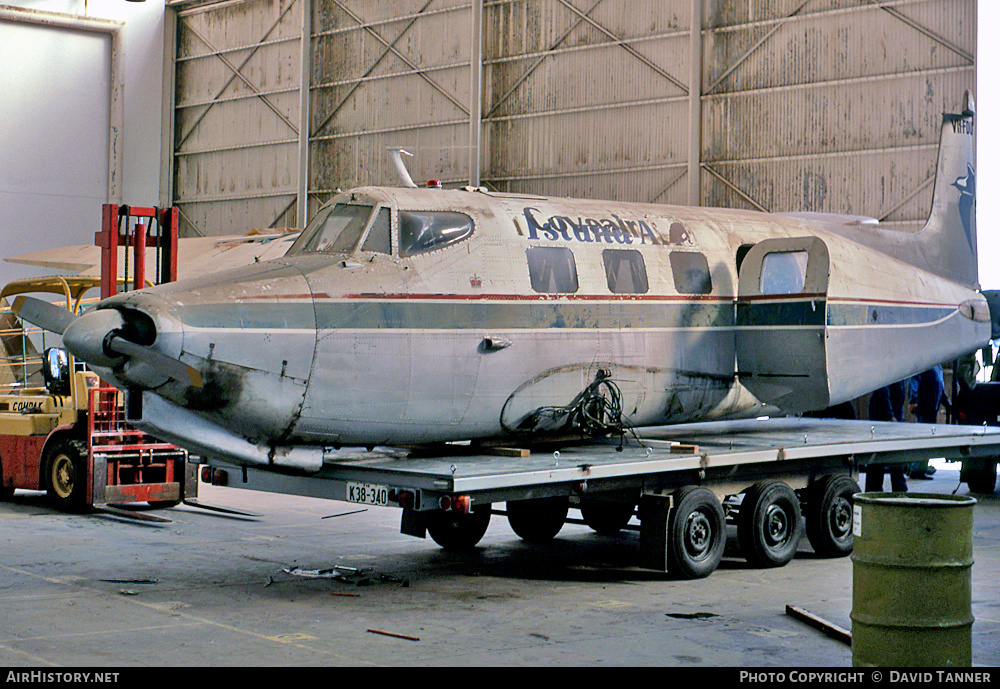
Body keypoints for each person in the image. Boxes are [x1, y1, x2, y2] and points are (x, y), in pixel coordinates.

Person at [865, 381, 908, 492]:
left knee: (883, 456)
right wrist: (889, 415)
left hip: (890, 413)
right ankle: (896, 489)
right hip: (884, 416)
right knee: (882, 456)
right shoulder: (892, 368)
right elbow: (883, 388)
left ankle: (877, 490)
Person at [908, 366, 945, 479]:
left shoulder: (938, 367)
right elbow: (914, 379)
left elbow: (940, 386)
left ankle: (919, 468)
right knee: (923, 439)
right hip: (924, 405)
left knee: (927, 439)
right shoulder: (927, 363)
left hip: (932, 407)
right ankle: (917, 470)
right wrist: (913, 400)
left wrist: (947, 403)